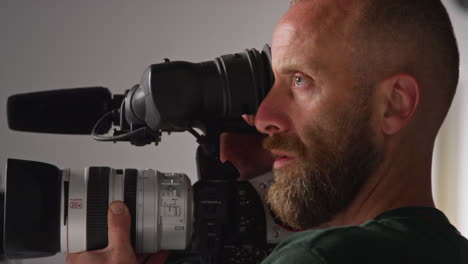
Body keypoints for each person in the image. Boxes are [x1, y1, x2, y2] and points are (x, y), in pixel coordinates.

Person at [67, 0, 468, 263]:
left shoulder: (318, 258)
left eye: (300, 81)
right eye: (272, 82)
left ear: (394, 103)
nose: (262, 118)